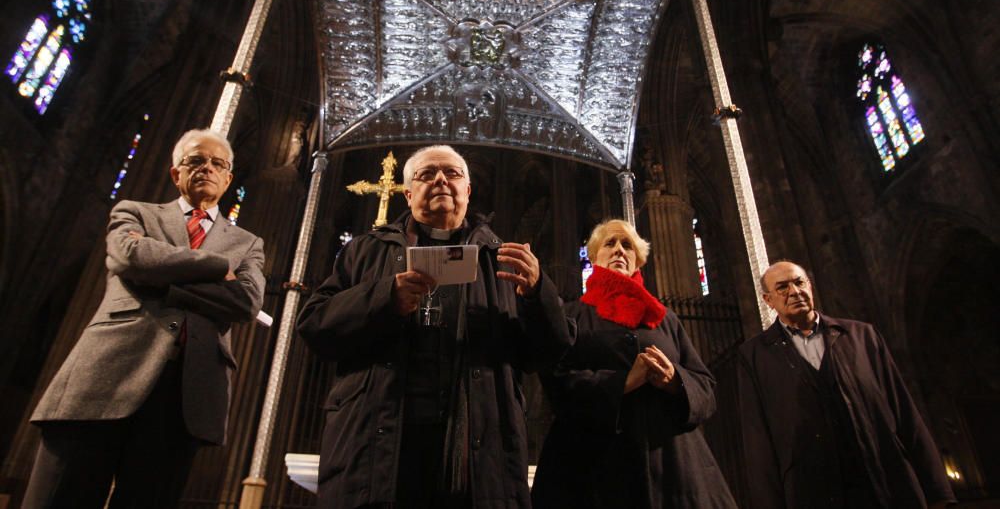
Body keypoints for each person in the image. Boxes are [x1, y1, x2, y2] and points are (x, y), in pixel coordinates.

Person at [297, 145, 572, 509]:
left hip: (474, 449)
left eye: (453, 173)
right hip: (380, 444)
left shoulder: (501, 260)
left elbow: (550, 351)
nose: (441, 179)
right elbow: (314, 325)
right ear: (408, 193)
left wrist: (538, 294)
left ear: (468, 191)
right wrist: (385, 298)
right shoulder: (365, 252)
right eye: (427, 174)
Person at [23, 128, 265, 509]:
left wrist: (165, 281)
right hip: (106, 373)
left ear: (229, 178)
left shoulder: (248, 243)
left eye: (218, 163)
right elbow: (130, 257)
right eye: (196, 160)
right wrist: (217, 267)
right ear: (175, 173)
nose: (207, 168)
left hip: (185, 393)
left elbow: (246, 301)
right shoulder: (134, 211)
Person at [531, 219, 737, 509]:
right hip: (596, 467)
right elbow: (557, 380)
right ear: (593, 257)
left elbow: (705, 386)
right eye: (610, 243)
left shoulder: (665, 318)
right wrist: (623, 383)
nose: (619, 250)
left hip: (673, 468)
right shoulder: (572, 315)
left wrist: (675, 380)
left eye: (627, 245)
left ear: (637, 259)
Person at [737, 260, 957, 508]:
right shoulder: (755, 356)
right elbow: (758, 442)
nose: (795, 292)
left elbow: (904, 413)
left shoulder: (862, 336)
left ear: (810, 286)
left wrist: (938, 493)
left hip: (883, 484)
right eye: (782, 287)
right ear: (768, 300)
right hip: (813, 492)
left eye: (799, 283)